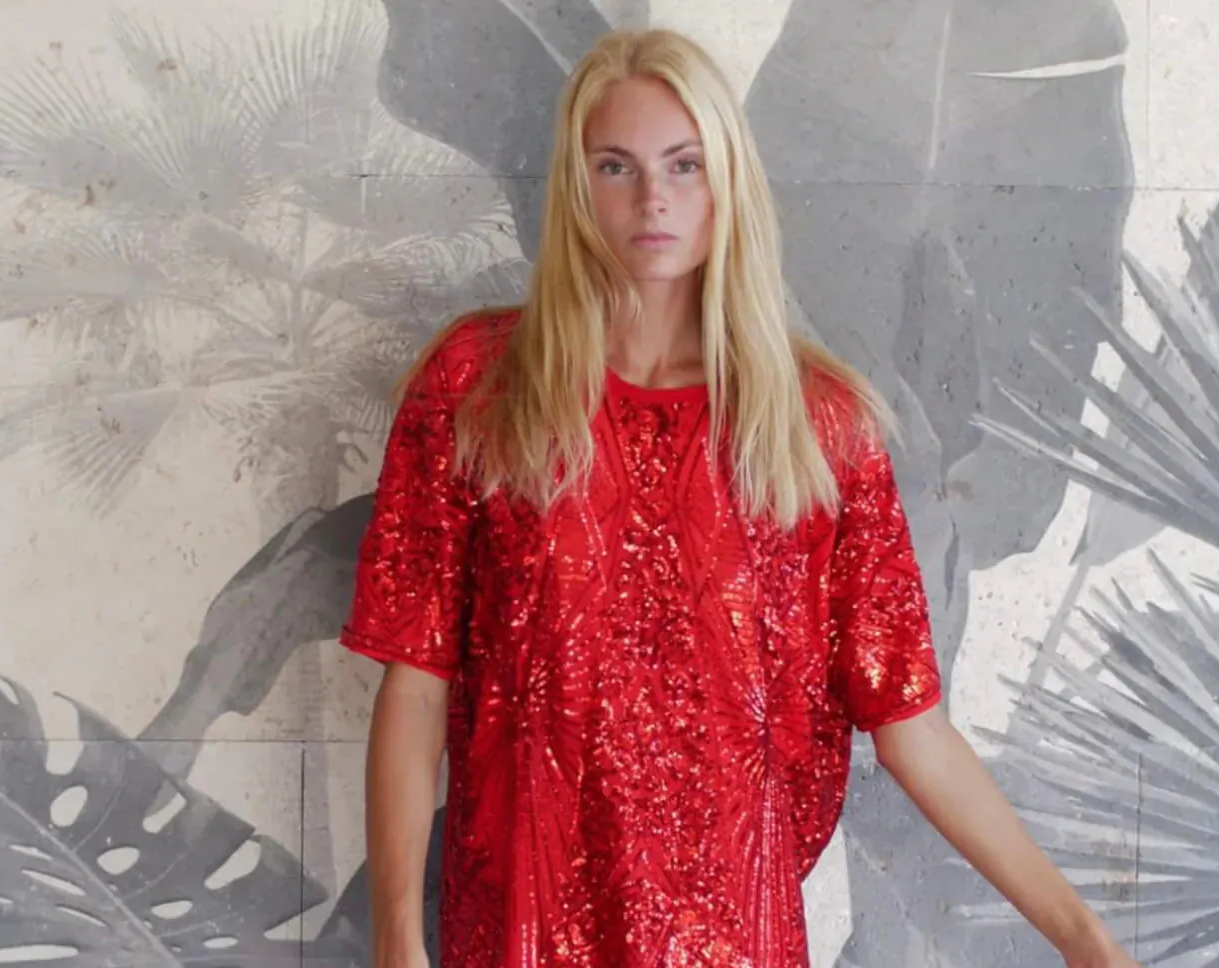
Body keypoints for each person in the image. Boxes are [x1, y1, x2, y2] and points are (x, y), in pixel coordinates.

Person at [338, 27, 1140, 968]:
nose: (653, 199)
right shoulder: (480, 388)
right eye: (616, 166)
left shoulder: (817, 428)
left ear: (728, 183)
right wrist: (397, 936)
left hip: (730, 939)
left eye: (685, 165)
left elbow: (912, 727)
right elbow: (414, 683)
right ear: (576, 186)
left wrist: (1082, 935)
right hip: (520, 930)